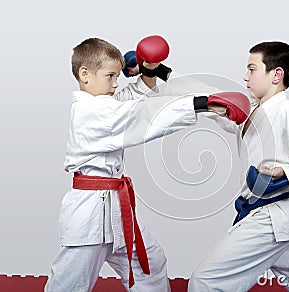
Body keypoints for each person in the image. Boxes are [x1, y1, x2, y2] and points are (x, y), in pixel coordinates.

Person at [44, 36, 250, 292]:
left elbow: (136, 100)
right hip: (90, 213)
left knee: (150, 263)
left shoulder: (105, 104)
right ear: (85, 74)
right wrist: (203, 103)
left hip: (117, 208)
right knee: (70, 283)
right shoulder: (89, 111)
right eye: (110, 76)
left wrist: (149, 73)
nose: (116, 83)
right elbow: (143, 113)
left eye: (118, 76)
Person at [188, 41, 289, 291]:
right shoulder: (254, 111)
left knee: (206, 280)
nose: (245, 76)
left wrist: (286, 172)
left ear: (276, 75)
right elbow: (228, 119)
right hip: (277, 219)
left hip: (271, 217)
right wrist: (163, 76)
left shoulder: (288, 113)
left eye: (252, 69)